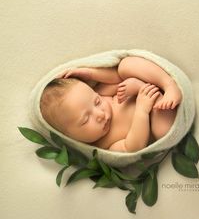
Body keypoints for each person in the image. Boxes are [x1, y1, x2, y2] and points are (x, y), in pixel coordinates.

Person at [40, 56, 182, 152]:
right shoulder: (103, 146)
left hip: (152, 85)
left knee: (125, 66)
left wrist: (91, 74)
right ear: (69, 136)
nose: (100, 114)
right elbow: (134, 146)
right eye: (86, 119)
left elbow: (117, 77)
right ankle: (148, 89)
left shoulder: (103, 95)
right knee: (163, 132)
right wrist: (142, 111)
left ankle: (168, 84)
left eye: (97, 102)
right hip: (157, 113)